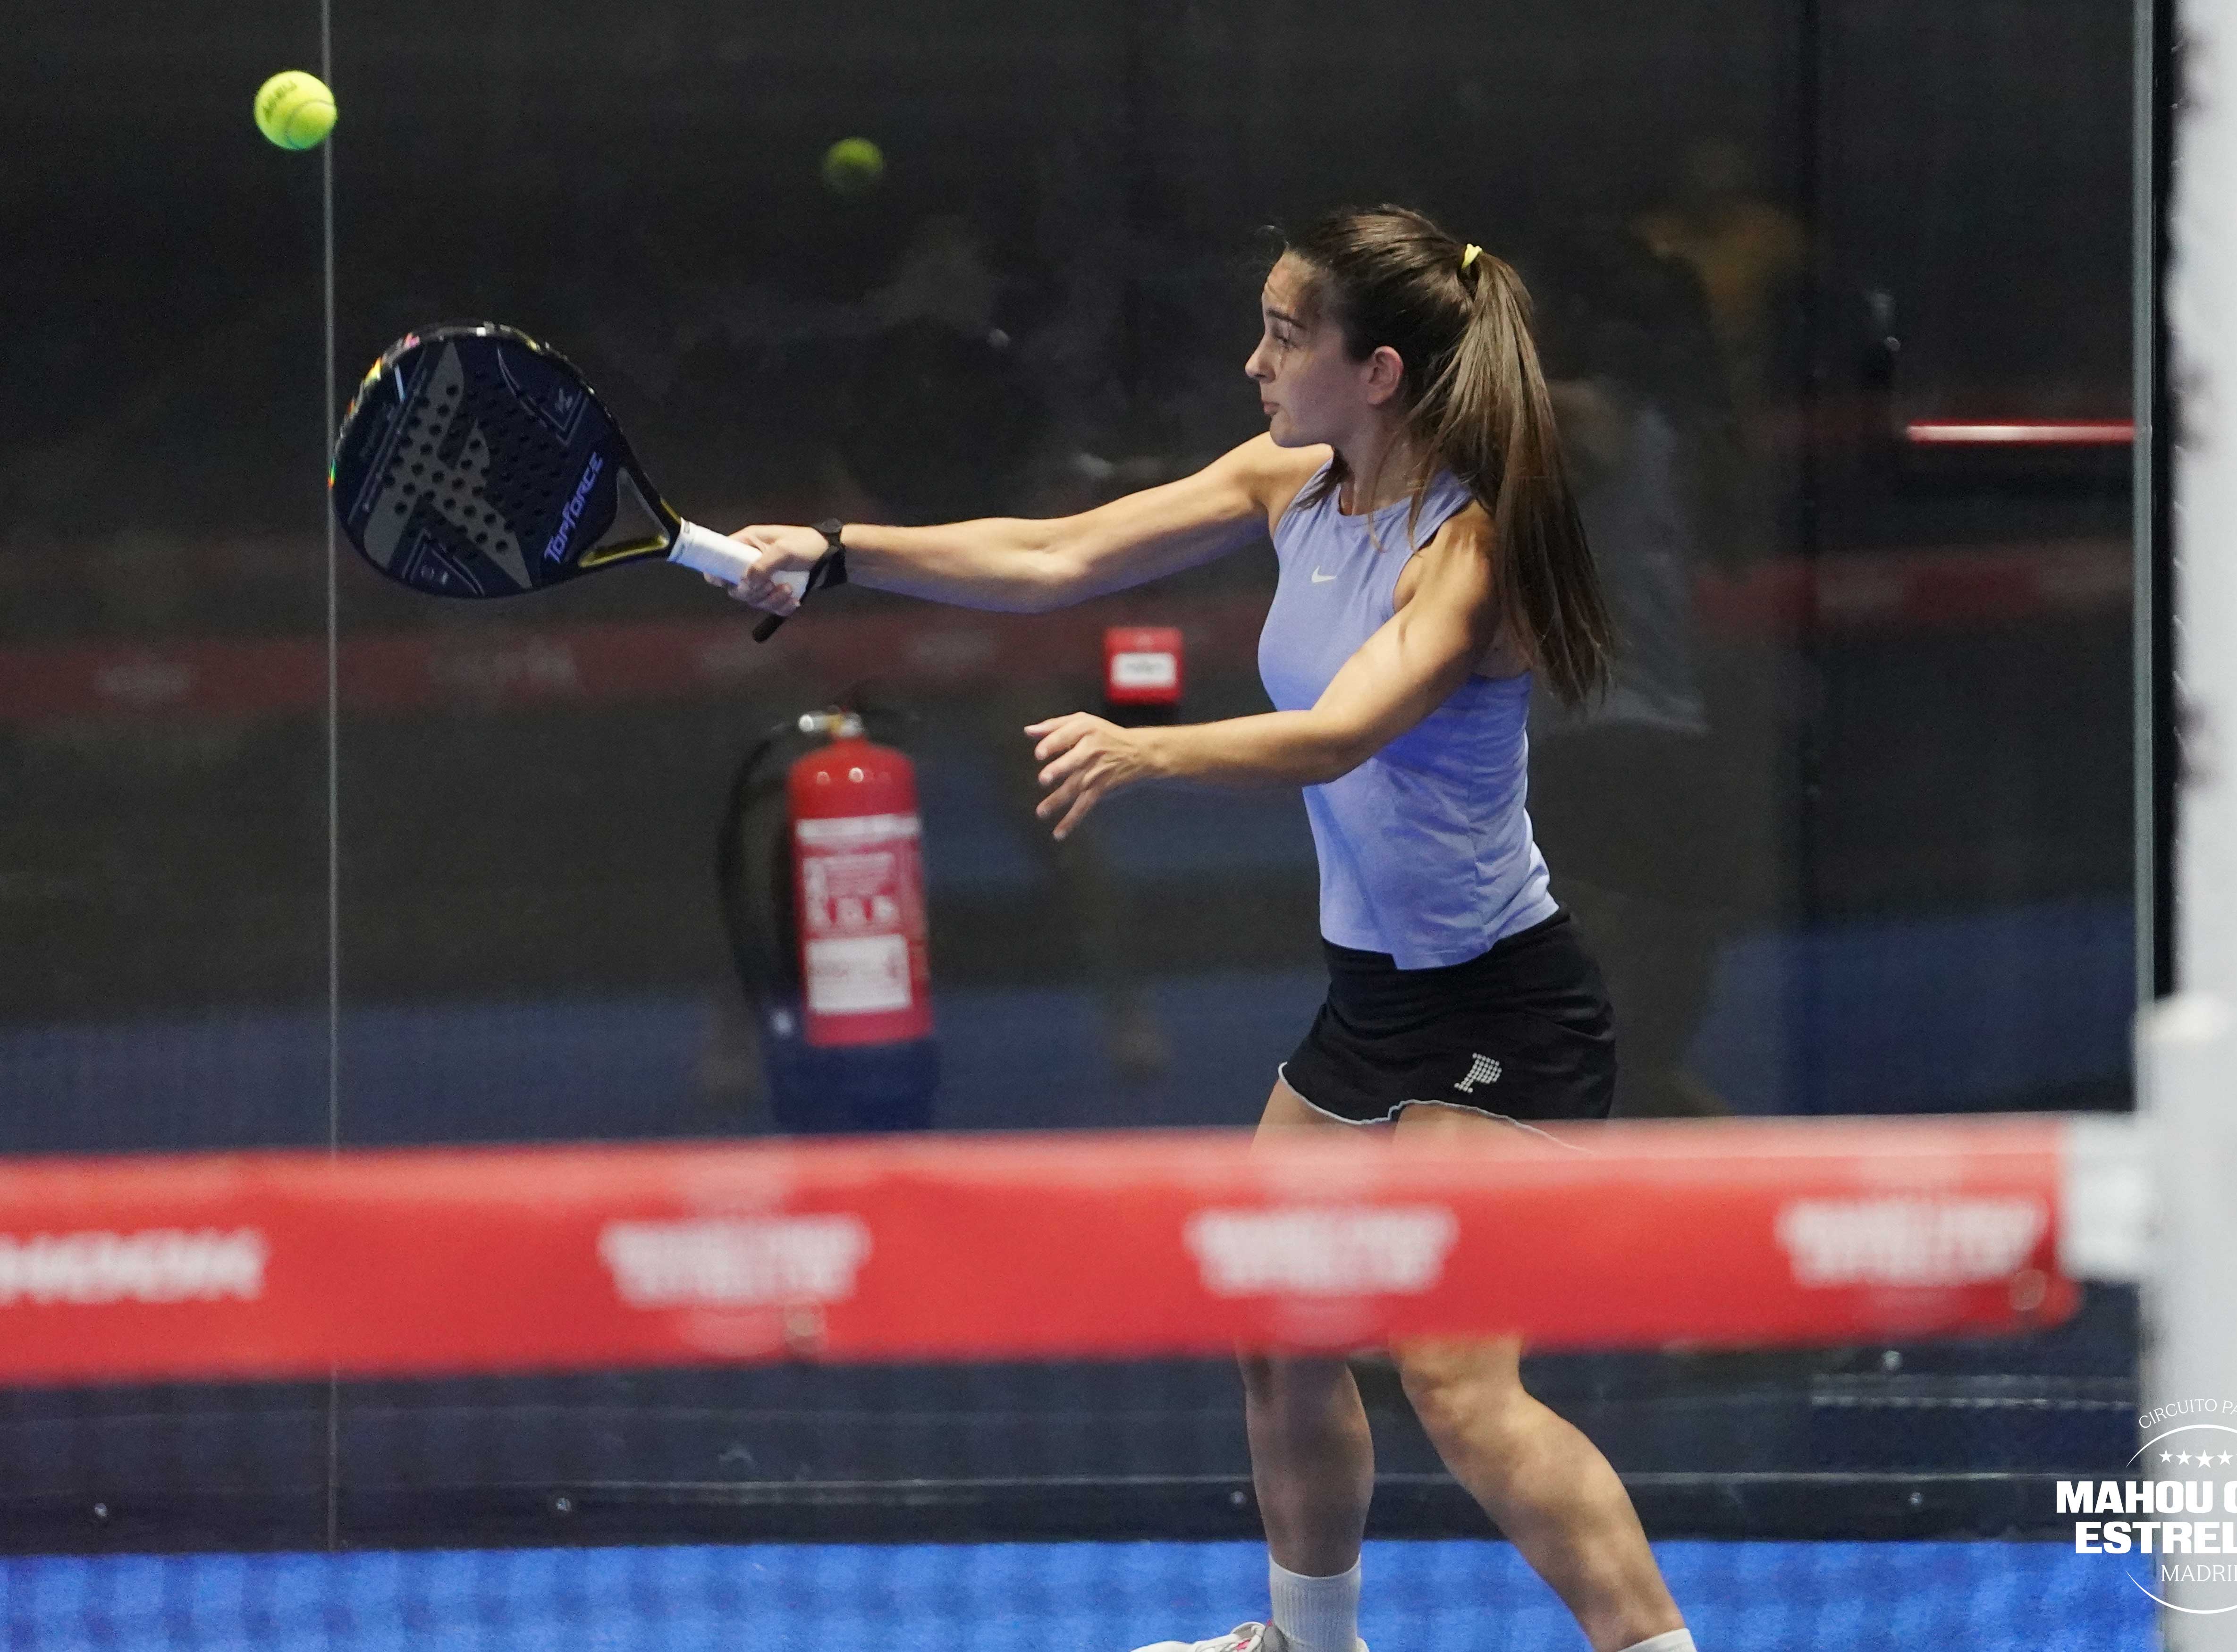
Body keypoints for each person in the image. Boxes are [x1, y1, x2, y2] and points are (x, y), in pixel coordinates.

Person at [724, 204, 1696, 1652]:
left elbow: (1346, 729)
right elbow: (1055, 554)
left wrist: (1147, 748)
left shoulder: (1468, 549)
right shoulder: (1288, 479)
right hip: (1373, 1005)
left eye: (1286, 335)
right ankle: (1313, 1641)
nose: (1255, 361)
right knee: (1279, 1320)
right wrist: (835, 550)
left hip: (1503, 1009)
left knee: (1456, 1380)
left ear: (1377, 372)